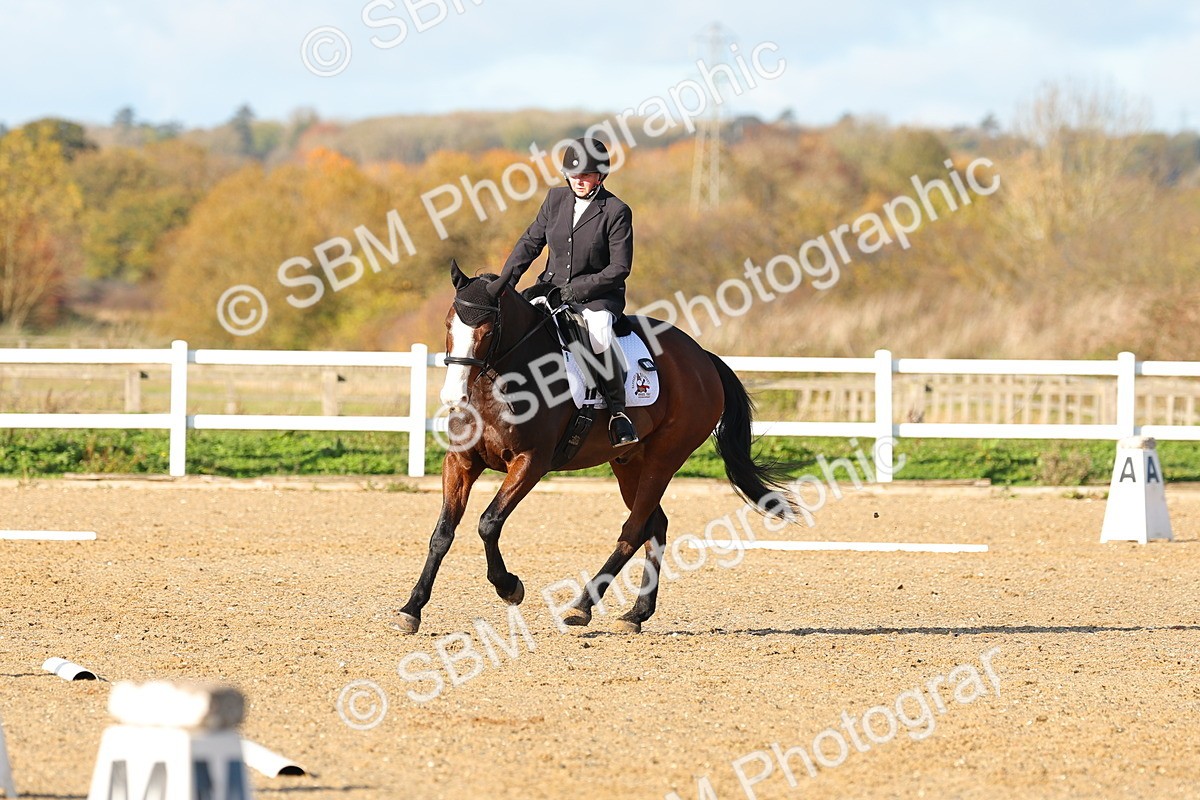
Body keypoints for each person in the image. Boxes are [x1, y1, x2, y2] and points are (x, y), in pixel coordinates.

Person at [500, 137, 639, 447]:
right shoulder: (555, 200)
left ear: (601, 175)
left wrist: (574, 291)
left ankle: (618, 413)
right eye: (574, 174)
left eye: (586, 175)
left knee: (600, 332)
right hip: (549, 290)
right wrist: (505, 285)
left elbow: (619, 268)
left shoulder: (616, 211)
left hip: (597, 296)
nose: (579, 180)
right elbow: (530, 243)